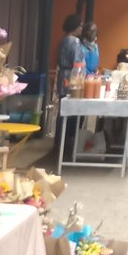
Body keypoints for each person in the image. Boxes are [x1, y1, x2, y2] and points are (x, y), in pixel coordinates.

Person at [54, 14, 83, 160]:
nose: (81, 28)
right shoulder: (75, 42)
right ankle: (68, 143)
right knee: (71, 111)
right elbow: (78, 62)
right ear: (75, 27)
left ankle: (58, 143)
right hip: (72, 77)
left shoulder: (63, 40)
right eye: (80, 26)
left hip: (62, 76)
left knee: (62, 110)